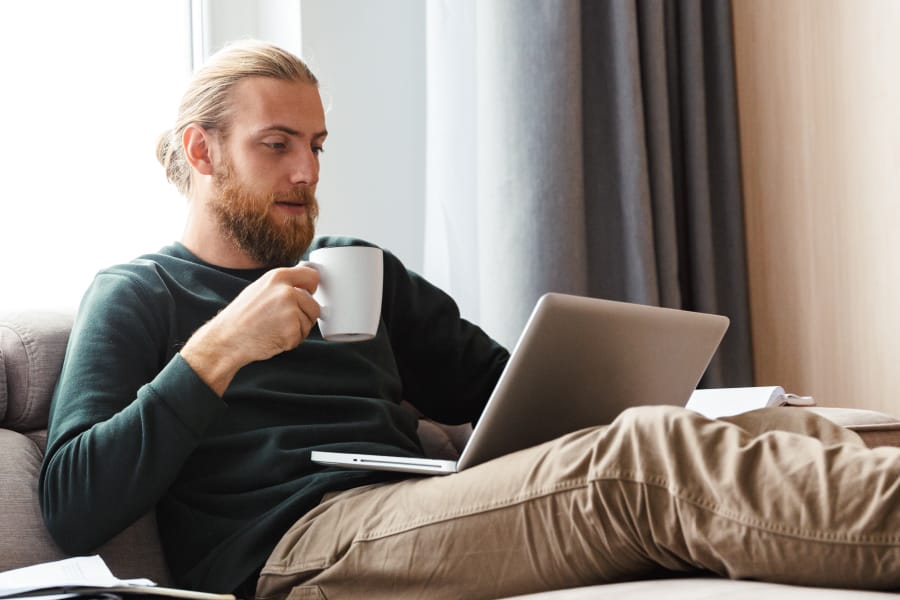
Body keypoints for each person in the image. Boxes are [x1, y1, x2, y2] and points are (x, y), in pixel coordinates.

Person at [39, 40, 900, 600]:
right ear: (201, 151)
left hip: (417, 506)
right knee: (640, 461)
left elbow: (507, 391)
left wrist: (620, 388)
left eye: (317, 145)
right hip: (294, 549)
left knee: (789, 428)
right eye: (277, 144)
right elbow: (75, 501)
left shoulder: (356, 267)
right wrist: (216, 351)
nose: (306, 170)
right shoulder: (140, 293)